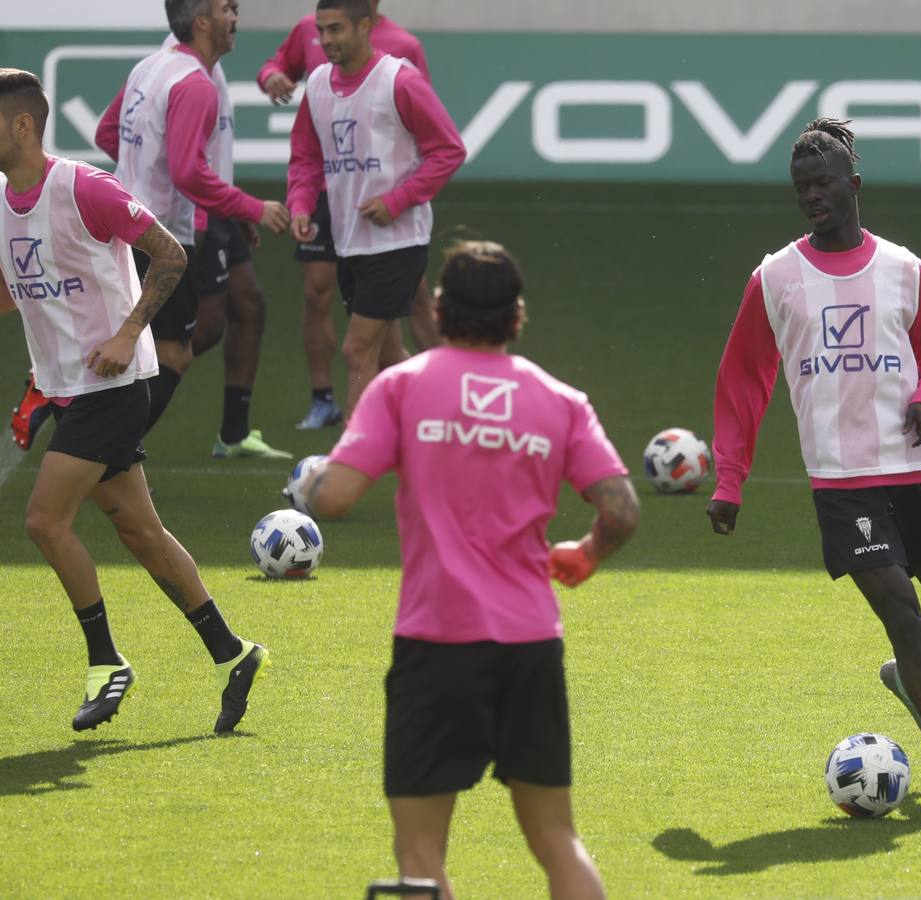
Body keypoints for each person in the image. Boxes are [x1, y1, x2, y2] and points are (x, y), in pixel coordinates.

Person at [301, 241, 639, 898]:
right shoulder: (560, 400)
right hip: (530, 645)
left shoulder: (400, 387)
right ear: (517, 315)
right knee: (557, 839)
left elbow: (336, 499)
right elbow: (621, 510)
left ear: (435, 307)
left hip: (436, 645)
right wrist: (587, 552)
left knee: (420, 851)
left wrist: (315, 478)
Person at [707, 118, 921, 816]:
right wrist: (728, 479)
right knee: (902, 613)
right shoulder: (775, 278)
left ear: (854, 185)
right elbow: (742, 381)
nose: (812, 196)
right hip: (843, 483)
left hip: (915, 473)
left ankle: (910, 677)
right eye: (801, 187)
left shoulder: (903, 269)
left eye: (824, 184)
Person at [0, 68, 269, 734]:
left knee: (44, 521)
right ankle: (232, 653)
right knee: (140, 531)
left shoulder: (83, 187)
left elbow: (170, 254)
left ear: (22, 125)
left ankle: (106, 661)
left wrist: (127, 332)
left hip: (114, 385)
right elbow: (22, 287)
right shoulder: (3, 200)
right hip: (70, 386)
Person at [93, 0, 292, 448]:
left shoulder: (151, 66)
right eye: (227, 9)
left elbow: (108, 133)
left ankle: (104, 453)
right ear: (202, 22)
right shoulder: (197, 85)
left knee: (146, 346)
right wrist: (252, 207)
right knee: (172, 354)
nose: (235, 17)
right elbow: (187, 172)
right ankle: (103, 456)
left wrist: (138, 176)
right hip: (162, 238)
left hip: (127, 227)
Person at [260, 0, 440, 429]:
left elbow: (445, 150)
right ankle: (443, 419)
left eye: (336, 29)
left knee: (358, 350)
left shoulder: (401, 75)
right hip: (348, 235)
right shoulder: (319, 83)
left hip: (396, 238)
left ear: (366, 25)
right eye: (322, 30)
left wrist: (396, 200)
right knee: (389, 354)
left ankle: (348, 462)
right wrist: (301, 204)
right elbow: (305, 153)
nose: (325, 40)